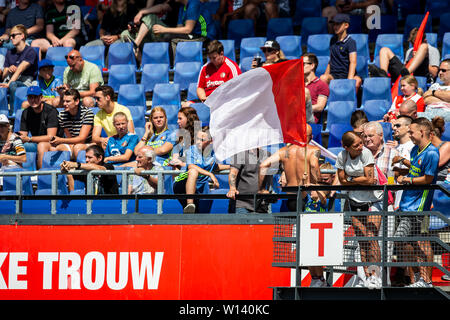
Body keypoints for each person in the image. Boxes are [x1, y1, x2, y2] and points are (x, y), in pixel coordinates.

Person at [335, 130, 382, 289]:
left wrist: (350, 180)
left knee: (371, 237)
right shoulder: (342, 156)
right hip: (354, 200)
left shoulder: (366, 153)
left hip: (373, 200)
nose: (361, 147)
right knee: (362, 239)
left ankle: (375, 276)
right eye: (357, 145)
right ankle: (366, 278)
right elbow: (341, 180)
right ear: (346, 147)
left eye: (361, 143)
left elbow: (369, 180)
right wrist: (357, 181)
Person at [396, 117, 440, 288]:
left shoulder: (431, 152)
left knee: (421, 241)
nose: (410, 135)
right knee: (406, 242)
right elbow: (416, 167)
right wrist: (402, 165)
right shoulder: (415, 150)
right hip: (407, 204)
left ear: (422, 132)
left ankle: (426, 281)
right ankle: (416, 279)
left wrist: (407, 180)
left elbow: (428, 178)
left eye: (412, 132)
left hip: (419, 205)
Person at [258, 124, 321, 212]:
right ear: (311, 137)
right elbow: (314, 166)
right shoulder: (313, 150)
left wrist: (261, 189)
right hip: (304, 194)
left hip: (290, 197)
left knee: (291, 224)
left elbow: (263, 165)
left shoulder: (284, 151)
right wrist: (316, 186)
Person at [172, 126, 230, 213]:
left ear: (211, 141)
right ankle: (190, 204)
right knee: (193, 171)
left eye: (202, 140)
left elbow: (214, 167)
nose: (198, 142)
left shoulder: (213, 153)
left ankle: (190, 209)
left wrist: (232, 167)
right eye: (197, 139)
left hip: (196, 189)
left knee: (194, 216)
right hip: (181, 185)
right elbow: (191, 166)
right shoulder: (192, 149)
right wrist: (210, 174)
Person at [151, 0, 215, 65]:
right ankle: (161, 66)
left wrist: (164, 29)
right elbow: (179, 28)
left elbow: (188, 29)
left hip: (204, 37)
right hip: (192, 35)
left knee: (172, 40)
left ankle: (173, 69)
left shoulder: (194, 4)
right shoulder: (183, 7)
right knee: (165, 38)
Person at [40, 88, 94, 160]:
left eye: (68, 101)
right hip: (73, 143)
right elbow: (69, 137)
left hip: (88, 144)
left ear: (77, 101)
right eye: (64, 101)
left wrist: (61, 140)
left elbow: (82, 139)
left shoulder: (87, 113)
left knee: (77, 147)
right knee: (52, 147)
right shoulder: (62, 115)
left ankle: (78, 168)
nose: (64, 104)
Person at [372, 28, 440, 83]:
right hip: (406, 76)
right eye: (413, 44)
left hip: (421, 76)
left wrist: (421, 58)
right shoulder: (410, 51)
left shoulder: (432, 50)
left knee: (424, 47)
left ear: (425, 40)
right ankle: (383, 78)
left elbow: (434, 73)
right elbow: (404, 67)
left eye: (417, 44)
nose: (414, 47)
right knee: (384, 50)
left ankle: (407, 73)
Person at [18, 86, 60, 169]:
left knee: (41, 145)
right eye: (30, 97)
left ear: (41, 97)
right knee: (16, 145)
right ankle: (17, 173)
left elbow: (51, 137)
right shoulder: (26, 112)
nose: (33, 100)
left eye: (36, 97)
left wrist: (29, 139)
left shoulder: (51, 111)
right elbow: (23, 135)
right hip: (35, 143)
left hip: (54, 143)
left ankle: (41, 175)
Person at [320, 13, 362, 93]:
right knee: (323, 78)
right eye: (334, 24)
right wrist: (325, 75)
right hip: (334, 75)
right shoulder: (332, 40)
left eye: (338, 24)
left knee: (357, 81)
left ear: (346, 25)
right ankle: (328, 103)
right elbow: (331, 60)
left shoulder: (351, 42)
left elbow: (353, 62)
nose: (335, 27)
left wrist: (349, 80)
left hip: (347, 74)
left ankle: (351, 101)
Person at [0, 24, 38, 109]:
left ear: (22, 36)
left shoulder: (30, 51)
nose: (11, 38)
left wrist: (9, 84)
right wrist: (9, 70)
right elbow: (4, 75)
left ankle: (12, 113)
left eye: (13, 35)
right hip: (10, 79)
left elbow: (20, 69)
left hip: (25, 81)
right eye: (10, 36)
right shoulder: (10, 52)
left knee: (13, 84)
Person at [226, 148, 271, 213]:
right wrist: (232, 188)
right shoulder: (240, 154)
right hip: (242, 203)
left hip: (261, 204)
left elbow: (279, 166)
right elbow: (233, 173)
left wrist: (283, 172)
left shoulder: (267, 154)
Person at [303, 52, 329, 124]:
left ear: (312, 65)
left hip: (310, 119)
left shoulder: (321, 85)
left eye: (303, 64)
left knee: (305, 91)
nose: (300, 66)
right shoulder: (298, 83)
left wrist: (301, 109)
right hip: (297, 117)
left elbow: (320, 107)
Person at [430, 116, 450, 183]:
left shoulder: (447, 145)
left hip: (441, 185)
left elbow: (433, 165)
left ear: (431, 135)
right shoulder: (428, 148)